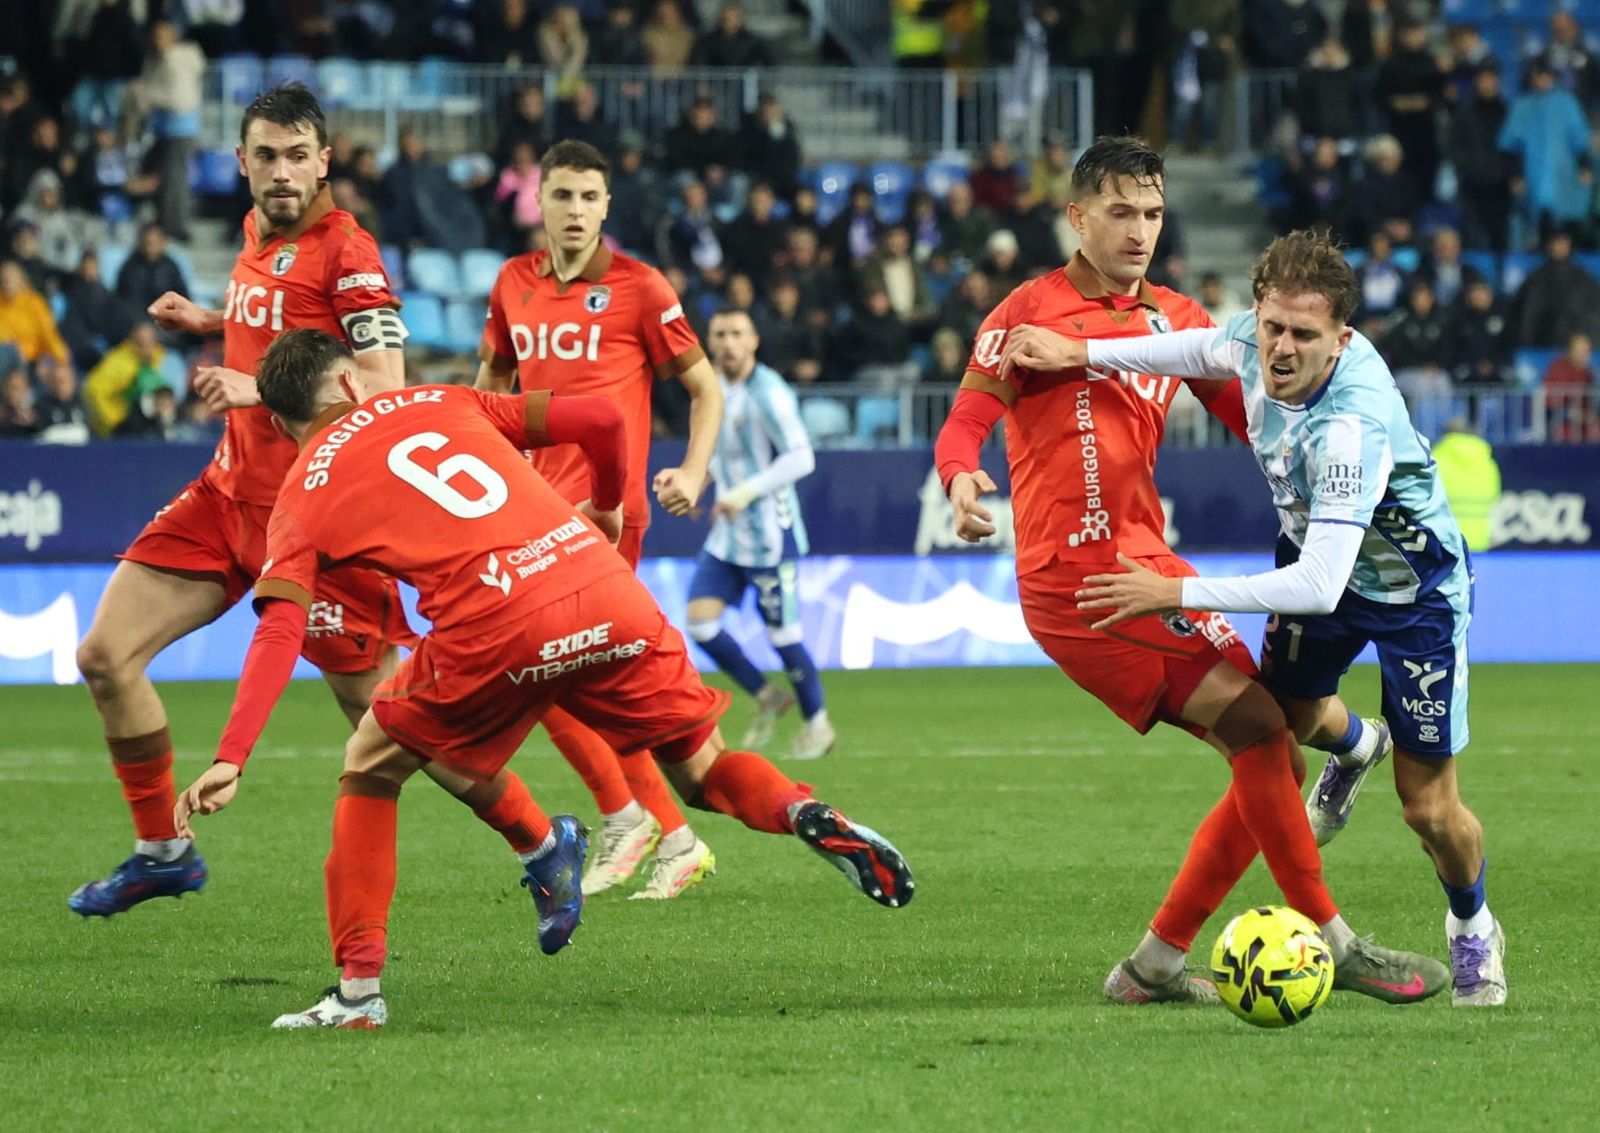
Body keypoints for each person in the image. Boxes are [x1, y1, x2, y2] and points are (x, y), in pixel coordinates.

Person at [172, 330, 913, 1029]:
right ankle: (797, 810)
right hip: (599, 582)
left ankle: (359, 990)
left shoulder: (299, 494)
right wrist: (608, 507)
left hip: (494, 621)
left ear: (274, 419)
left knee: (371, 762)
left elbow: (278, 628)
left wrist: (232, 755)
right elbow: (597, 417)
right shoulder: (439, 399)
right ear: (348, 377)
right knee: (702, 769)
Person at [933, 136, 1448, 1008]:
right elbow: (964, 421)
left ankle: (1155, 966)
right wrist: (959, 479)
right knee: (1257, 726)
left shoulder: (1176, 317)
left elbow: (1258, 410)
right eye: (1122, 212)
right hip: (1077, 585)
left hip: (1149, 564)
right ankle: (1333, 935)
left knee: (1272, 747)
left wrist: (1345, 464)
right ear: (1078, 214)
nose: (1140, 231)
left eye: (1154, 213)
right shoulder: (1027, 313)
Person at [68, 84, 525, 917]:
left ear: (324, 161)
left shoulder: (351, 254)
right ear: (241, 163)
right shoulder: (255, 232)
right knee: (103, 656)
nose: (281, 173)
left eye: (296, 156)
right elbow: (280, 312)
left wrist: (254, 387)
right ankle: (162, 851)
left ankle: (539, 837)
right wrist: (212, 317)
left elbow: (385, 390)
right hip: (227, 494)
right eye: (265, 156)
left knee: (393, 720)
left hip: (318, 518)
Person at [1069, 230, 1505, 1007]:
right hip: (1319, 556)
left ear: (1342, 338)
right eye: (1272, 326)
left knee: (1428, 808)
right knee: (1288, 716)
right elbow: (1196, 351)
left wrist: (1174, 593)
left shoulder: (1351, 425)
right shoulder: (1249, 338)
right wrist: (1081, 353)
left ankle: (1473, 925)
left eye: (1304, 334)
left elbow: (1316, 583)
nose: (1280, 347)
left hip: (1413, 595)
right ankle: (1355, 744)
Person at [477, 139, 726, 900]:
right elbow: (492, 381)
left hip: (609, 514)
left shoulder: (641, 288)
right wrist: (490, 463)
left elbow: (705, 388)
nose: (575, 211)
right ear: (539, 202)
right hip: (533, 509)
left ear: (607, 205)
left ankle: (638, 817)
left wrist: (694, 468)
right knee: (569, 680)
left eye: (589, 197)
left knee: (544, 674)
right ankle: (664, 829)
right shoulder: (513, 283)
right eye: (562, 196)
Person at [686, 309, 834, 761]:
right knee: (700, 623)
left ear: (753, 341)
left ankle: (819, 725)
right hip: (729, 537)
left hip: (771, 534)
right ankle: (766, 695)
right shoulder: (715, 387)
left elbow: (801, 458)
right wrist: (698, 484)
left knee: (783, 635)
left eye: (737, 334)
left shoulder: (769, 392)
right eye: (720, 334)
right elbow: (719, 453)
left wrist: (744, 493)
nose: (728, 342)